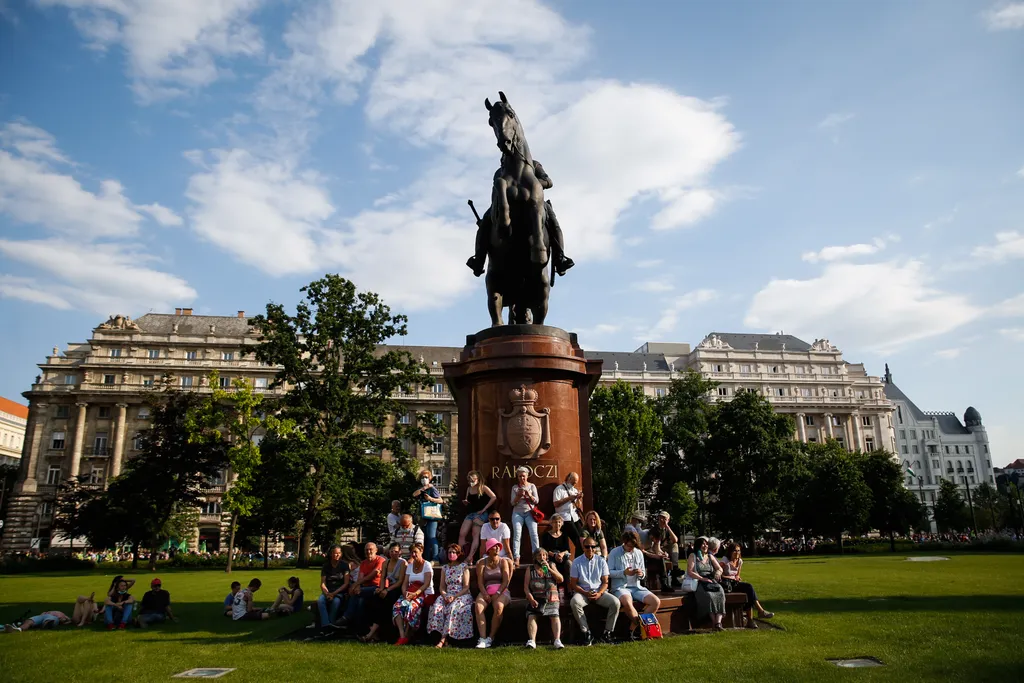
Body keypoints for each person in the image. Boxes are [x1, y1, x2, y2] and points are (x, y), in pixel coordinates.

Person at [608, 530, 661, 638]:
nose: (631, 548)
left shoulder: (638, 553)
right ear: (624, 542)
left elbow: (643, 574)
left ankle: (633, 628)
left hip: (636, 586)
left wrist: (641, 574)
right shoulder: (614, 552)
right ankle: (642, 628)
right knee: (627, 601)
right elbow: (609, 573)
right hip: (620, 587)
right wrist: (624, 572)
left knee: (655, 601)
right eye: (629, 546)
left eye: (633, 546)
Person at [569, 536, 619, 645]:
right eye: (587, 546)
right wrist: (585, 593)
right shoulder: (576, 562)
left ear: (596, 548)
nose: (590, 549)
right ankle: (586, 632)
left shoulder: (601, 561)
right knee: (574, 602)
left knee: (615, 603)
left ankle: (607, 633)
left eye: (593, 546)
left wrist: (600, 593)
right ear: (583, 547)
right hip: (583, 592)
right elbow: (573, 583)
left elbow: (605, 582)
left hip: (599, 591)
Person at [427, 543, 474, 648]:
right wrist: (445, 596)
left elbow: (466, 587)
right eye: (449, 552)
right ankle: (436, 635)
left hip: (462, 595)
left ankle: (443, 639)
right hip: (447, 594)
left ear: (458, 554)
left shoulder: (464, 567)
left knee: (453, 608)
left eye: (453, 552)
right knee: (437, 606)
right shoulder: (445, 568)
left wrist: (455, 596)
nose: (451, 554)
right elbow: (442, 587)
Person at [361, 542, 407, 644]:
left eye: (396, 551)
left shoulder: (403, 563)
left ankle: (371, 634)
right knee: (373, 600)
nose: (393, 553)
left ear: (400, 552)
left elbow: (400, 581)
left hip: (397, 589)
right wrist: (381, 589)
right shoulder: (386, 563)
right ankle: (372, 632)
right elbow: (382, 578)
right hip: (388, 588)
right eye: (391, 551)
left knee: (385, 604)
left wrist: (387, 590)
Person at [720, 543, 774, 628]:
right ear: (730, 551)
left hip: (735, 583)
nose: (737, 552)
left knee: (749, 591)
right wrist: (731, 577)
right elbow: (719, 575)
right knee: (749, 588)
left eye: (738, 550)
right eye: (735, 550)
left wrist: (737, 577)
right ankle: (759, 612)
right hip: (727, 585)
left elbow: (737, 575)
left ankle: (752, 619)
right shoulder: (725, 560)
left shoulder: (740, 561)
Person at [392, 542, 434, 645]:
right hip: (410, 592)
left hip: (424, 593)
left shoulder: (427, 565)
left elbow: (426, 584)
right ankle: (402, 635)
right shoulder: (410, 566)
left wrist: (415, 594)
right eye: (412, 553)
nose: (413, 555)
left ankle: (407, 636)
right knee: (397, 606)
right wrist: (405, 593)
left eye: (415, 552)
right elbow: (405, 583)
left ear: (421, 551)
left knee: (411, 607)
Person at [474, 538, 511, 649]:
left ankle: (491, 637)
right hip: (486, 590)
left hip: (502, 590)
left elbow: (506, 581)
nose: (497, 548)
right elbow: (480, 582)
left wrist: (498, 593)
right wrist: (485, 594)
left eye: (498, 546)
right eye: (494, 546)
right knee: (478, 606)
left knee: (499, 607)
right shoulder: (481, 563)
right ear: (489, 549)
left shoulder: (503, 561)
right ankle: (483, 638)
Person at [524, 548, 564, 650]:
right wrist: (531, 598)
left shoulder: (551, 565)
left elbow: (560, 579)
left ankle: (557, 640)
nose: (542, 557)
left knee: (554, 615)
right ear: (535, 557)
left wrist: (549, 569)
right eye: (539, 555)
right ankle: (532, 641)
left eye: (544, 555)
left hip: (551, 597)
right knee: (532, 616)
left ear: (546, 557)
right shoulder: (530, 569)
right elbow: (526, 587)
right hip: (536, 599)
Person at [340, 542, 385, 629]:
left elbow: (373, 574)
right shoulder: (363, 563)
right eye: (366, 550)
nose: (368, 552)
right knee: (360, 601)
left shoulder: (381, 560)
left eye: (370, 549)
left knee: (357, 593)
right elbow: (361, 577)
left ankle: (346, 618)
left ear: (376, 550)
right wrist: (356, 586)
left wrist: (356, 586)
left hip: (378, 587)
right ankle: (359, 627)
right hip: (366, 588)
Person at [685, 537, 725, 631]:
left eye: (706, 544)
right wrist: (702, 578)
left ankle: (718, 623)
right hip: (699, 581)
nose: (705, 546)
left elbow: (720, 568)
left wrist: (718, 573)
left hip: (711, 581)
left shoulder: (710, 556)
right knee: (709, 596)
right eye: (703, 544)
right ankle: (714, 622)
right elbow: (690, 572)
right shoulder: (693, 556)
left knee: (721, 593)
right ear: (698, 546)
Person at [459, 470, 497, 560]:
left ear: (477, 479)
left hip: (481, 513)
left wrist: (484, 509)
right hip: (471, 513)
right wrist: (465, 502)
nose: (471, 482)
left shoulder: (483, 488)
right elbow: (469, 501)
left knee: (475, 534)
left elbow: (493, 497)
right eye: (469, 480)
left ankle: (470, 557)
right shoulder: (469, 489)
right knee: (462, 534)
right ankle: (462, 554)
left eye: (472, 480)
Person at [510, 466, 540, 567]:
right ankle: (516, 558)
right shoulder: (514, 487)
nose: (521, 478)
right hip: (517, 513)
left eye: (523, 476)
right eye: (519, 476)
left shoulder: (532, 486)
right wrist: (518, 496)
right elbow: (512, 503)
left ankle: (537, 557)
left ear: (527, 476)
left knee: (534, 534)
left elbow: (537, 501)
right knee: (517, 535)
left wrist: (529, 495)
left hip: (530, 512)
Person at [412, 469, 444, 562]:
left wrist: (430, 498)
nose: (424, 479)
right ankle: (426, 558)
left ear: (430, 478)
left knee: (431, 536)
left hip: (432, 516)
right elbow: (414, 494)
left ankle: (435, 558)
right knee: (424, 537)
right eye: (422, 477)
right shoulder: (422, 488)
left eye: (426, 477)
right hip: (423, 517)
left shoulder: (432, 488)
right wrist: (424, 488)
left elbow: (441, 500)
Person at [317, 545, 350, 629]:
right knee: (320, 601)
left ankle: (331, 622)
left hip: (339, 591)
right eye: (335, 553)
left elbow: (346, 583)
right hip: (328, 590)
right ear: (331, 554)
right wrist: (327, 593)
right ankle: (326, 624)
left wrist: (334, 593)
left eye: (339, 553)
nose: (337, 555)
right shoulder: (326, 566)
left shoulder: (344, 565)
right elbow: (323, 583)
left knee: (336, 602)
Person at [552, 471, 584, 553]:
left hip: (574, 516)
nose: (574, 484)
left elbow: (578, 506)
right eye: (573, 482)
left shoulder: (574, 490)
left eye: (575, 483)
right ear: (568, 479)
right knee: (577, 539)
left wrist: (579, 499)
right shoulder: (559, 489)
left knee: (582, 538)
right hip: (565, 518)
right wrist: (569, 498)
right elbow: (556, 504)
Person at [540, 513, 572, 589]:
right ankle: (556, 585)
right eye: (555, 522)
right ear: (551, 523)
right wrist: (555, 555)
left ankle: (570, 587)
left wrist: (561, 554)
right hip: (551, 558)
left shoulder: (564, 535)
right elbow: (544, 550)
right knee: (551, 565)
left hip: (562, 558)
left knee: (569, 563)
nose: (557, 524)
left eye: (559, 522)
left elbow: (567, 549)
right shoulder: (546, 535)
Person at [642, 526, 674, 593]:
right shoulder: (643, 536)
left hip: (648, 553)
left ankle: (664, 584)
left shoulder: (657, 538)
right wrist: (654, 556)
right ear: (651, 535)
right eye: (654, 539)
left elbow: (657, 550)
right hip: (640, 554)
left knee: (661, 559)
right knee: (643, 560)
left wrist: (664, 554)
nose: (655, 541)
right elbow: (641, 551)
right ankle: (643, 584)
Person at [655, 511, 681, 588]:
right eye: (660, 518)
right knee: (662, 555)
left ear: (668, 520)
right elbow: (656, 545)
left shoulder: (668, 529)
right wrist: (662, 553)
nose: (662, 520)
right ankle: (668, 579)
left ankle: (675, 571)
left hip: (664, 548)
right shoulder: (655, 529)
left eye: (664, 518)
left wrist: (667, 527)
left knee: (675, 545)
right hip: (655, 548)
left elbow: (675, 540)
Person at [4, 610, 71, 632]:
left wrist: (63, 621)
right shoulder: (48, 612)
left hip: (53, 617)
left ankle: (44, 626)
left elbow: (70, 620)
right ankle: (18, 629)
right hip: (41, 616)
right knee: (29, 621)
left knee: (49, 620)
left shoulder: (62, 615)